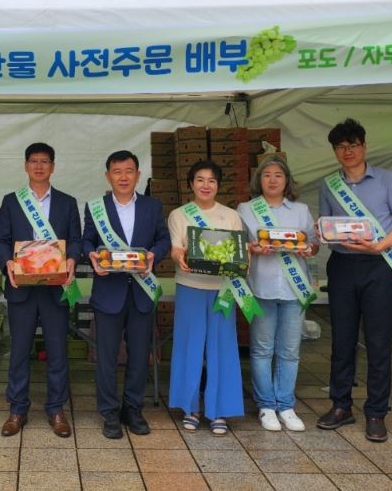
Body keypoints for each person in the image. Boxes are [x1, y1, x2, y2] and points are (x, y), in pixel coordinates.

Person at [316, 118, 392, 443]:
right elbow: (326, 225)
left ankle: (376, 412)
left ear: (364, 146)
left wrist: (381, 245)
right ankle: (341, 405)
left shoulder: (388, 179)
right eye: (341, 147)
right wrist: (322, 232)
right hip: (342, 265)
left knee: (378, 341)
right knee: (342, 340)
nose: (347, 151)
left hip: (378, 266)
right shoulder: (329, 184)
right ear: (334, 151)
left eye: (353, 145)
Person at [0, 142, 81, 438]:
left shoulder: (67, 202)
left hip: (56, 288)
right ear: (25, 165)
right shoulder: (11, 201)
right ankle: (17, 409)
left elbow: (76, 239)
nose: (39, 166)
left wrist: (72, 259)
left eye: (45, 161)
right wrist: (7, 262)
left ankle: (56, 409)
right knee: (19, 351)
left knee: (57, 350)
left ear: (53, 167)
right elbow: (1, 239)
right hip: (22, 288)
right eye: (34, 161)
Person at [82, 150, 170, 439]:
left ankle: (133, 408)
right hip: (109, 291)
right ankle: (109, 411)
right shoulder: (96, 207)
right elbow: (87, 240)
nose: (123, 177)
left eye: (129, 171)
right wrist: (91, 256)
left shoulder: (152, 206)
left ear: (138, 175)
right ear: (108, 176)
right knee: (106, 357)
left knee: (140, 356)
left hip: (141, 291)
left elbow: (164, 239)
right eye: (117, 171)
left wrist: (154, 255)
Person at [237, 157, 318, 432]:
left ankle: (286, 405)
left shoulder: (301, 210)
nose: (272, 180)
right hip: (261, 287)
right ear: (258, 180)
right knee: (261, 349)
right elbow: (236, 245)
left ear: (287, 181)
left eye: (278, 175)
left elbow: (313, 244)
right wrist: (252, 248)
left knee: (290, 351)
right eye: (267, 175)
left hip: (295, 289)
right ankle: (266, 405)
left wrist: (308, 249)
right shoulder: (246, 209)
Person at [168, 159, 245, 436]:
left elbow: (238, 252)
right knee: (189, 346)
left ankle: (219, 410)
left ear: (218, 185)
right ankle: (190, 407)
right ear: (191, 184)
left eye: (211, 180)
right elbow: (175, 249)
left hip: (222, 288)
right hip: (189, 285)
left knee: (222, 348)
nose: (206, 185)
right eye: (200, 179)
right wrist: (178, 256)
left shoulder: (231, 216)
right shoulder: (179, 215)